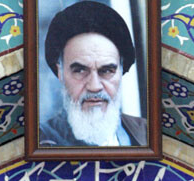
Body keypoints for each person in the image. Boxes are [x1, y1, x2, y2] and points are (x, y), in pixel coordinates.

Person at [40, 0, 147, 147]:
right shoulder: (38, 142)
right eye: (80, 70)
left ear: (121, 71)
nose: (95, 86)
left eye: (107, 71)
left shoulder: (147, 134)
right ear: (60, 72)